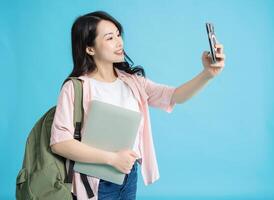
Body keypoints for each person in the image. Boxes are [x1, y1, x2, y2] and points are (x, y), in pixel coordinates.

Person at [50, 10, 225, 200]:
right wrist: (112, 159)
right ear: (90, 49)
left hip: (128, 173)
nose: (119, 42)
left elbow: (174, 96)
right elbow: (60, 143)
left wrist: (207, 74)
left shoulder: (133, 82)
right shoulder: (76, 87)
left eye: (118, 34)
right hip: (95, 181)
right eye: (110, 38)